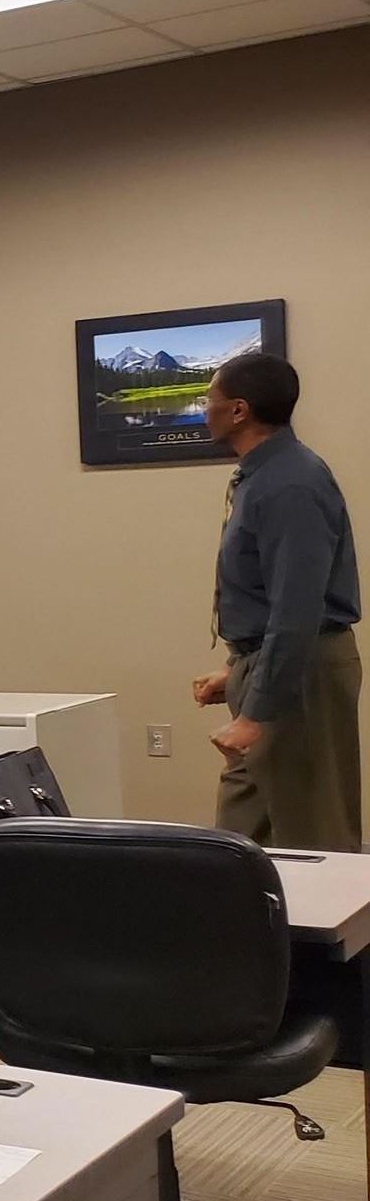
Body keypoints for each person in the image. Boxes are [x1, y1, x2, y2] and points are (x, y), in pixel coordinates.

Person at [193, 352, 362, 851]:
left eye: (211, 399)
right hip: (271, 667)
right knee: (241, 837)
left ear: (239, 410)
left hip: (302, 674)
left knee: (314, 840)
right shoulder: (260, 475)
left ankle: (317, 934)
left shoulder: (292, 482)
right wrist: (240, 669)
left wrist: (255, 713)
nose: (206, 409)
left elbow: (297, 606)